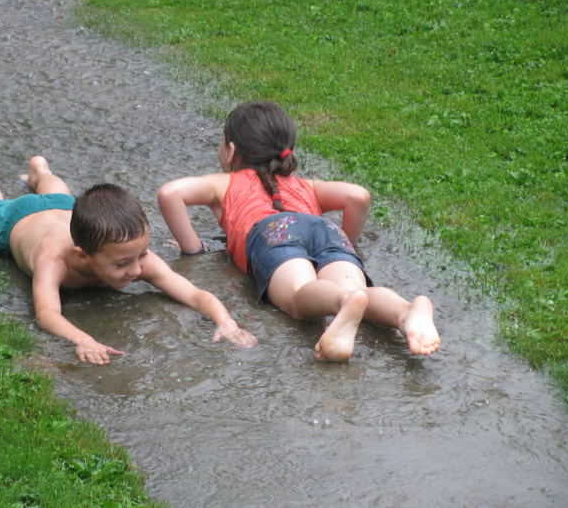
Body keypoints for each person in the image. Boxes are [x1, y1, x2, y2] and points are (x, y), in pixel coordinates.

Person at [157, 100, 440, 362]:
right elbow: (357, 196)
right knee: (359, 289)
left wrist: (193, 248)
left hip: (273, 232)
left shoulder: (225, 182)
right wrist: (345, 245)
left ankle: (344, 302)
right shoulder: (306, 185)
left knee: (297, 296)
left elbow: (170, 193)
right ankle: (406, 313)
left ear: (230, 151)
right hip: (325, 230)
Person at [0, 155, 257, 365]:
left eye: (142, 254)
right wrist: (83, 339)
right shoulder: (53, 260)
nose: (137, 269)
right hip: (18, 220)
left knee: (58, 192)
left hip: (63, 208)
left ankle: (40, 170)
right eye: (122, 264)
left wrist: (225, 321)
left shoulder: (130, 254)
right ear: (83, 255)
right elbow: (47, 313)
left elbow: (193, 293)